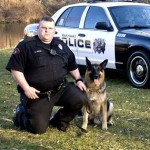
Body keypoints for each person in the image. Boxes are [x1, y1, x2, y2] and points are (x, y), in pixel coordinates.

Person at [6, 16, 88, 134]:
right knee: (37, 128)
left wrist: (79, 79)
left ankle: (59, 121)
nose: (47, 31)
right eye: (44, 27)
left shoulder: (60, 45)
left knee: (80, 98)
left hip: (60, 89)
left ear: (54, 30)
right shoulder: (26, 46)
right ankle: (20, 113)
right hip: (38, 94)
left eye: (50, 28)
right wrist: (26, 88)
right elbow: (15, 69)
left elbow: (72, 64)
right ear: (38, 28)